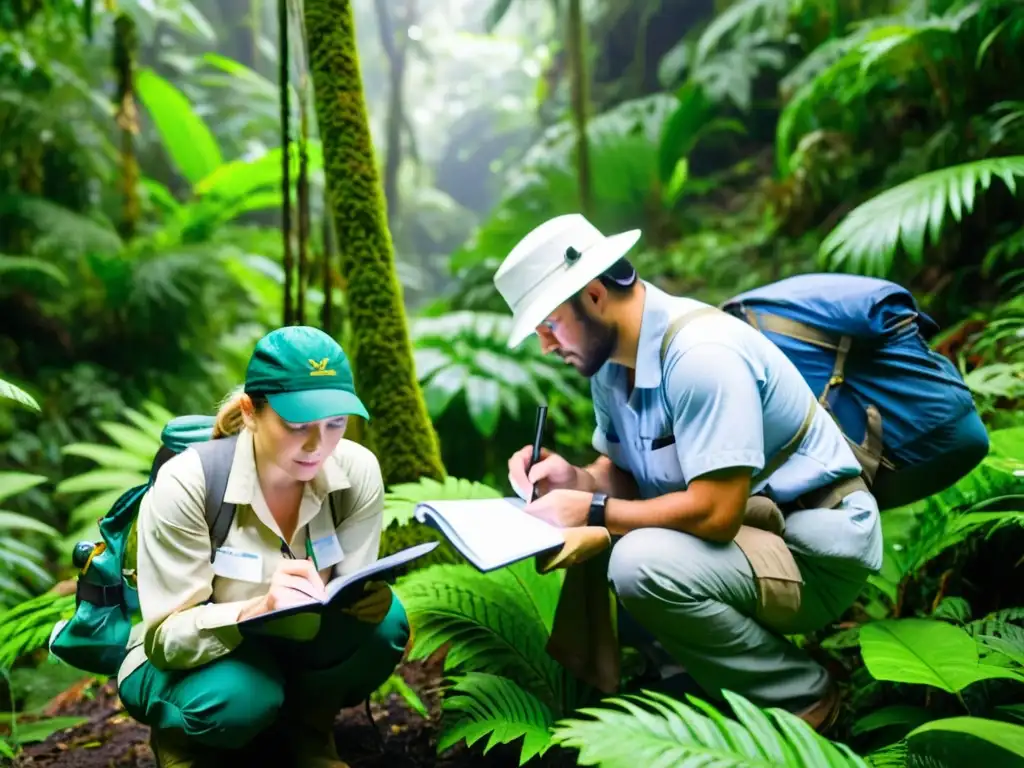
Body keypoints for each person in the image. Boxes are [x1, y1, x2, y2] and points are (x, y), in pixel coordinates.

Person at [497, 214, 883, 731]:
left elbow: (717, 515)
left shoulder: (702, 356)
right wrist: (577, 480)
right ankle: (689, 684)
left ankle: (805, 700)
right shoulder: (613, 364)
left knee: (636, 561)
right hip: (753, 534)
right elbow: (627, 471)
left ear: (592, 295)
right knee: (613, 537)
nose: (546, 344)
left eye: (549, 324)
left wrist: (593, 509)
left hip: (810, 550)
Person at [116, 326, 409, 767]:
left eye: (336, 424)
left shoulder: (356, 471)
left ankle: (309, 733)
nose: (318, 445)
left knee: (386, 624)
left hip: (296, 643)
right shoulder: (190, 483)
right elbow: (166, 641)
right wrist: (255, 609)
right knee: (239, 699)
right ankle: (186, 744)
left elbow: (349, 589)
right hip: (193, 662)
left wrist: (362, 602)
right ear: (251, 412)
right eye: (297, 425)